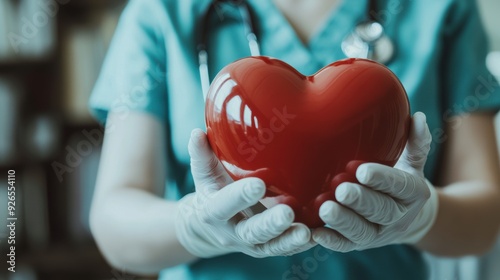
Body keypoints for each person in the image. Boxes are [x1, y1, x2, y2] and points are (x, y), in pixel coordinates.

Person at [88, 0, 500, 279]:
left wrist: (421, 217)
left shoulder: (439, 9)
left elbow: (485, 218)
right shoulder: (163, 10)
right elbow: (114, 222)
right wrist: (193, 227)